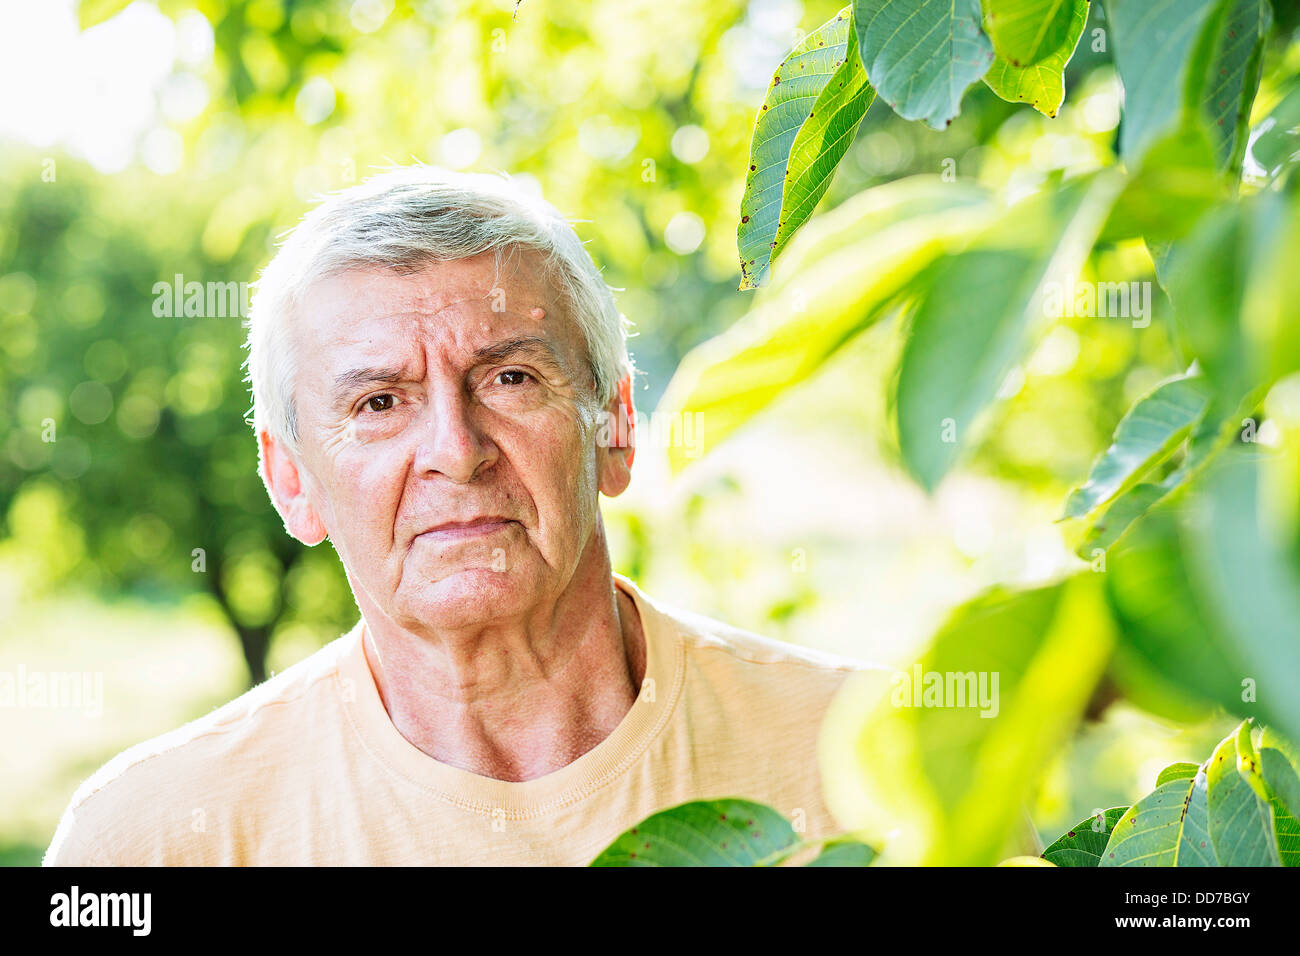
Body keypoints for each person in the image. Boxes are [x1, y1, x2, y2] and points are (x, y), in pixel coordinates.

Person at [44, 165, 871, 866]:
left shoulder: (874, 757)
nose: (455, 447)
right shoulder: (150, 841)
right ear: (291, 480)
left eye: (509, 377)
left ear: (615, 429)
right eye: (378, 402)